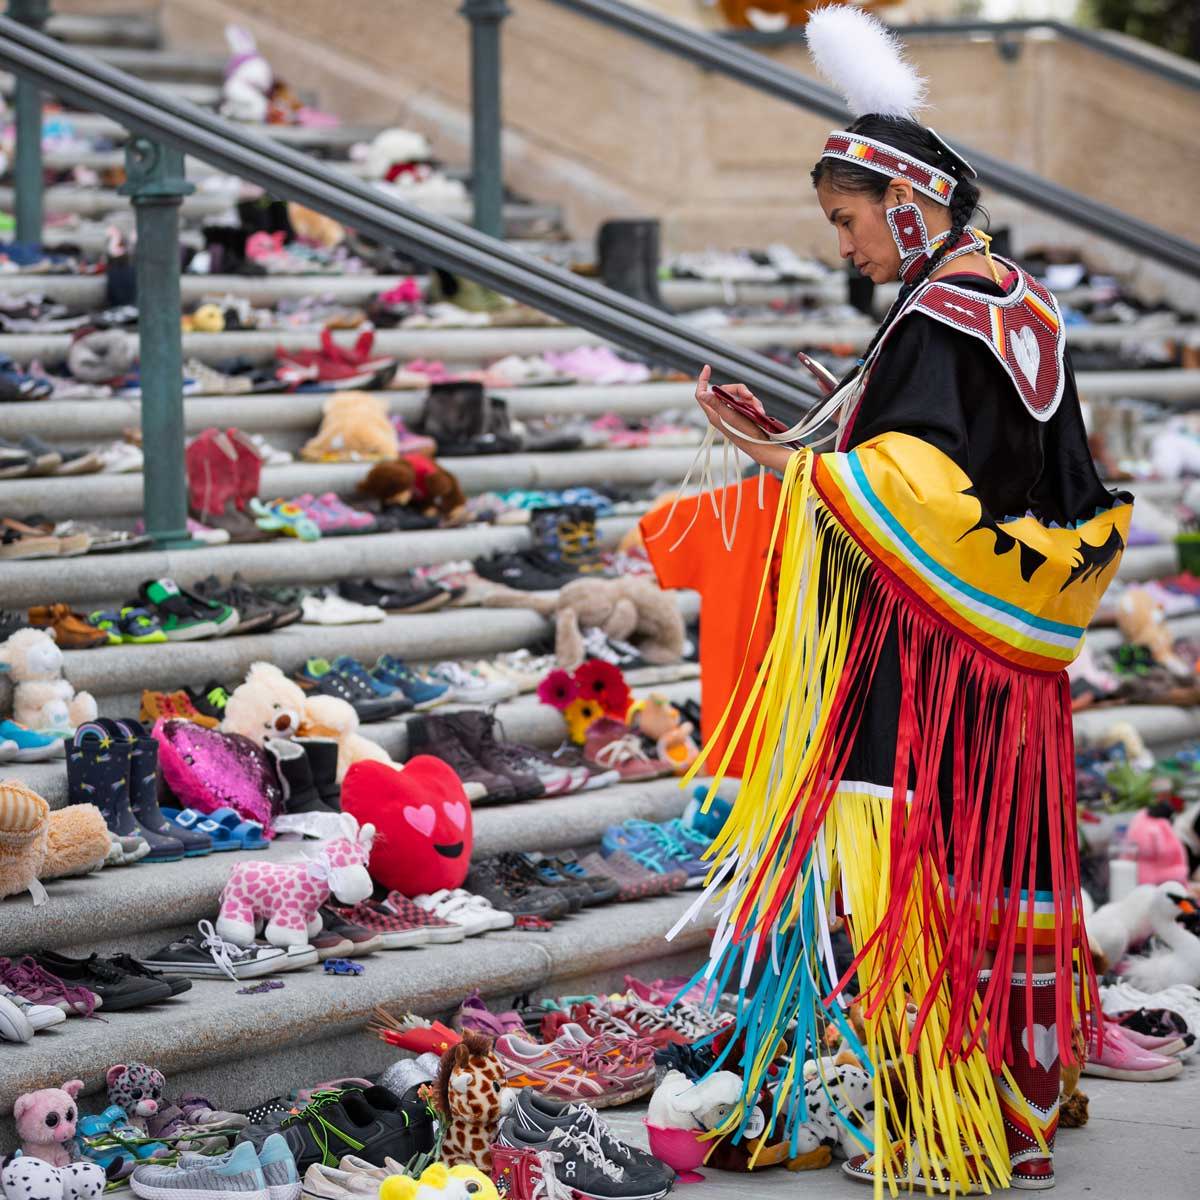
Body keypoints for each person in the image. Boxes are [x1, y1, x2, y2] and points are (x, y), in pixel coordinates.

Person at [676, 7, 1132, 1194]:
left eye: (846, 221)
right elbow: (1038, 479)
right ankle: (1018, 1094)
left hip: (925, 659)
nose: (844, 248)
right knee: (1001, 858)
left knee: (919, 860)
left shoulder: (936, 319)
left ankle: (946, 1114)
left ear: (907, 205)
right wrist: (807, 437)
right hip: (1007, 656)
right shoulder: (1018, 302)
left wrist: (781, 460)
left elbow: (914, 490)